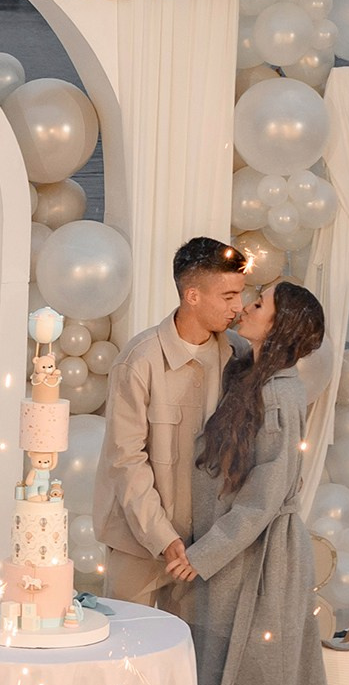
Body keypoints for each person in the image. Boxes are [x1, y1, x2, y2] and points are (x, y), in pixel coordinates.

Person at [173, 279, 337, 685]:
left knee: (256, 681)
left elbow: (266, 496)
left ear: (281, 326)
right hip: (242, 554)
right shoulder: (252, 374)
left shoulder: (281, 397)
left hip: (263, 559)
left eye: (258, 303)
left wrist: (204, 554)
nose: (246, 306)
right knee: (230, 674)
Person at [93, 237, 247, 609]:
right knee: (128, 650)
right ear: (192, 296)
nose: (238, 307)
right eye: (227, 296)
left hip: (203, 549)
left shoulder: (240, 356)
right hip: (137, 542)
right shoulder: (140, 360)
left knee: (191, 658)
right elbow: (125, 459)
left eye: (241, 294)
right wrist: (163, 538)